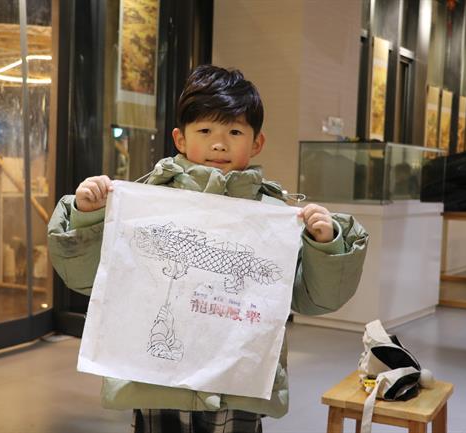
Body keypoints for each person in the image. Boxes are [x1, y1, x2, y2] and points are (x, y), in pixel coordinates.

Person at [48, 65, 368, 433]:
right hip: (156, 381)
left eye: (234, 132)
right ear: (180, 139)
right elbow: (89, 279)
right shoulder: (147, 204)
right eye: (204, 131)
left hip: (237, 384)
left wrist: (326, 245)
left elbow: (314, 299)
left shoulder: (274, 216)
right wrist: (86, 216)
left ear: (257, 142)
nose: (219, 144)